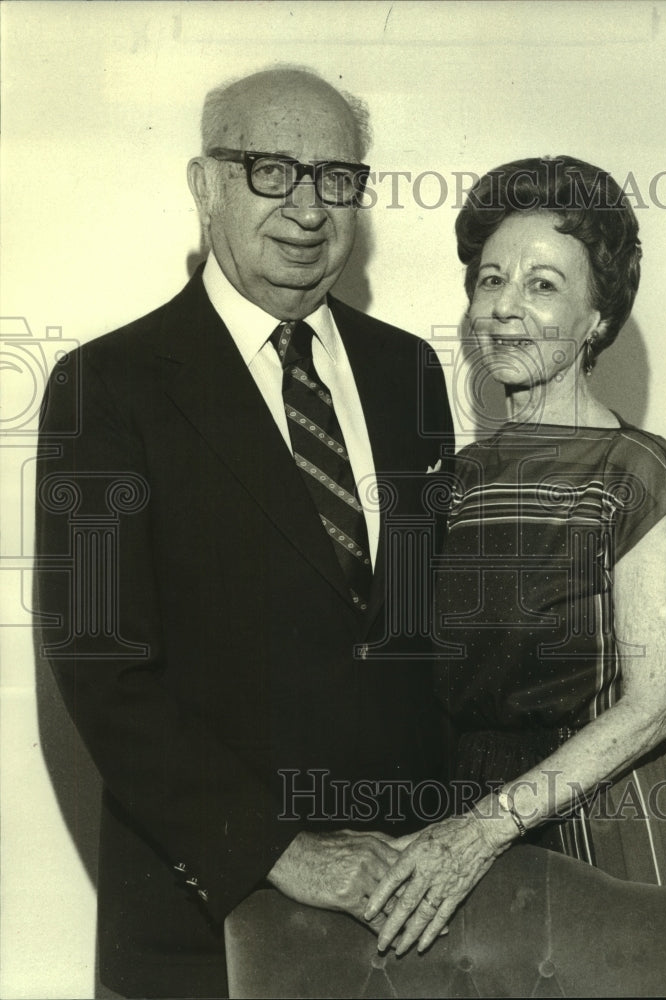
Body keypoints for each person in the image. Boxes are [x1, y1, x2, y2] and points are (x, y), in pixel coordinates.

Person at [34, 68, 452, 999]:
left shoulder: (409, 373)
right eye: (272, 170)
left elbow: (419, 635)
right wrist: (279, 851)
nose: (308, 207)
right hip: (205, 927)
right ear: (203, 184)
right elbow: (100, 668)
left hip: (407, 919)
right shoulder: (107, 386)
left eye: (336, 177)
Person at [364, 156, 666, 995]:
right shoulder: (449, 479)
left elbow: (653, 703)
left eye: (543, 286)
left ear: (596, 319)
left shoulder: (634, 473)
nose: (504, 307)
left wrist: (484, 829)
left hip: (604, 826)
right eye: (490, 280)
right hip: (461, 824)